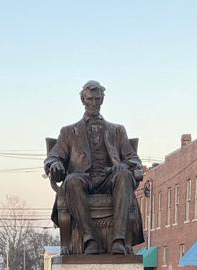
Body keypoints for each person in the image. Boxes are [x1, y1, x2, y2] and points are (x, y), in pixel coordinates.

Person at [45, 81, 145, 255]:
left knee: (124, 176)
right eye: (90, 99)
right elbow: (53, 156)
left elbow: (134, 160)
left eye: (97, 99)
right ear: (83, 100)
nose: (93, 103)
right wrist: (55, 164)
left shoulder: (117, 130)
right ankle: (89, 239)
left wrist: (122, 166)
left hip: (109, 179)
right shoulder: (69, 132)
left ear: (102, 100)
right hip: (83, 180)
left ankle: (119, 240)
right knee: (72, 180)